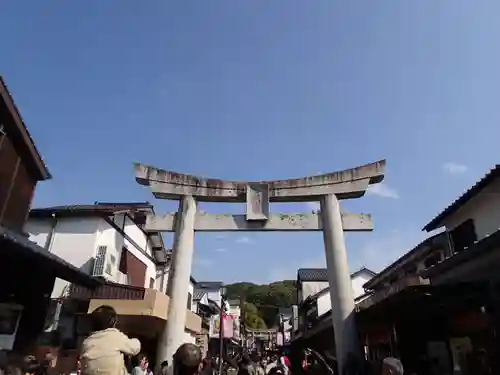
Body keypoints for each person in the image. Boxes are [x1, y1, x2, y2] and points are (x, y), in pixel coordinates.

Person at [80, 305, 141, 375]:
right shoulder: (116, 336)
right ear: (113, 322)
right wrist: (135, 339)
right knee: (138, 370)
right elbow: (135, 348)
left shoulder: (86, 343)